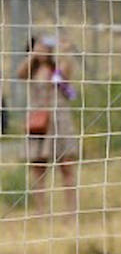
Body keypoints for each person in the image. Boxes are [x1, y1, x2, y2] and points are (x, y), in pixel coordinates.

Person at [18, 36, 78, 213]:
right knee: (38, 169)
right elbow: (20, 74)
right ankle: (41, 211)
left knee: (66, 166)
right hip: (38, 121)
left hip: (59, 120)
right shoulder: (32, 69)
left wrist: (63, 52)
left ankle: (71, 211)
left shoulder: (57, 68)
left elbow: (67, 73)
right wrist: (33, 55)